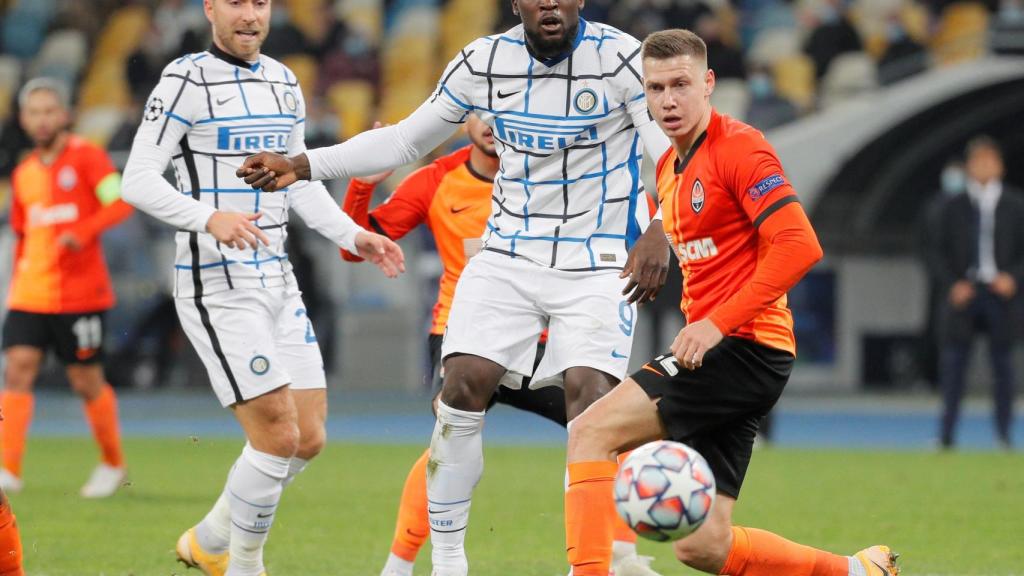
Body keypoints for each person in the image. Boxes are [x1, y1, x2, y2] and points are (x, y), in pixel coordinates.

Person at [237, 1, 674, 573]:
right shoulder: (485, 61)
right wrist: (303, 164)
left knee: (591, 408)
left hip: (595, 263)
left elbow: (671, 148)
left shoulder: (620, 59)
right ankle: (447, 563)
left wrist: (662, 225)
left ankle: (590, 567)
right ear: (514, 3)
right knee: (462, 388)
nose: (549, 2)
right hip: (507, 257)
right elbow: (401, 142)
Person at [562, 29, 900, 576]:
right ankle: (857, 571)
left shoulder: (741, 147)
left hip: (741, 347)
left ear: (709, 84)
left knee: (591, 431)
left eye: (681, 85)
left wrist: (714, 325)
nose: (668, 100)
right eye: (655, 89)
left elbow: (799, 245)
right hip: (728, 356)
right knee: (703, 547)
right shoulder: (670, 169)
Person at [120, 1, 404, 575]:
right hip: (217, 281)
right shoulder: (185, 79)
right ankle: (245, 565)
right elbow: (137, 180)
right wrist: (208, 217)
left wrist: (354, 234)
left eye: (260, 2)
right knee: (277, 434)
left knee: (309, 437)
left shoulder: (283, 80)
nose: (250, 15)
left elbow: (295, 185)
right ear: (210, 8)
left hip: (278, 276)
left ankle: (210, 539)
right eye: (236, 2)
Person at [342, 116, 659, 576]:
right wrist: (361, 185)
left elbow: (639, 224)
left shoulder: (569, 174)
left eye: (501, 109)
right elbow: (356, 247)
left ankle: (622, 558)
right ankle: (400, 564)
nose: (490, 123)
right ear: (462, 113)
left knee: (614, 432)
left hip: (552, 340)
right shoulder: (435, 181)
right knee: (449, 433)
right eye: (480, 109)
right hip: (466, 334)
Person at [1, 78, 133, 498]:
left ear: (65, 115)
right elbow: (23, 233)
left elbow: (120, 200)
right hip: (30, 293)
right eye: (33, 112)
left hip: (80, 295)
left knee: (85, 381)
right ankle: (8, 468)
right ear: (23, 120)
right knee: (17, 368)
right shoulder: (23, 174)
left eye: (49, 111)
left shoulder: (88, 158)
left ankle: (112, 464)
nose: (42, 120)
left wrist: (83, 229)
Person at [925, 137, 1024, 450]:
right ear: (968, 166)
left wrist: (1013, 279)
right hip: (963, 293)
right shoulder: (950, 206)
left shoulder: (1016, 205)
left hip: (1001, 294)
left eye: (989, 161)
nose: (983, 167)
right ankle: (947, 435)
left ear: (1001, 167)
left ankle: (1004, 435)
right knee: (954, 366)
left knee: (1004, 366)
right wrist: (952, 284)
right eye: (978, 161)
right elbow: (933, 251)